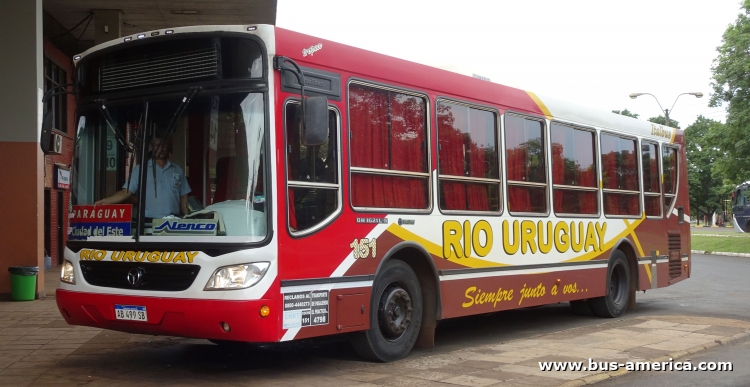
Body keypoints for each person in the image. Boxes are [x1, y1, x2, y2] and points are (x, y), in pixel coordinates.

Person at [95, 137, 191, 218]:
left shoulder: (177, 170)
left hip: (173, 222)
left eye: (163, 145)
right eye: (157, 146)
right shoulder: (140, 169)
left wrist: (189, 219)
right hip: (148, 223)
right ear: (150, 147)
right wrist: (105, 201)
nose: (161, 149)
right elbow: (126, 192)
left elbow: (184, 198)